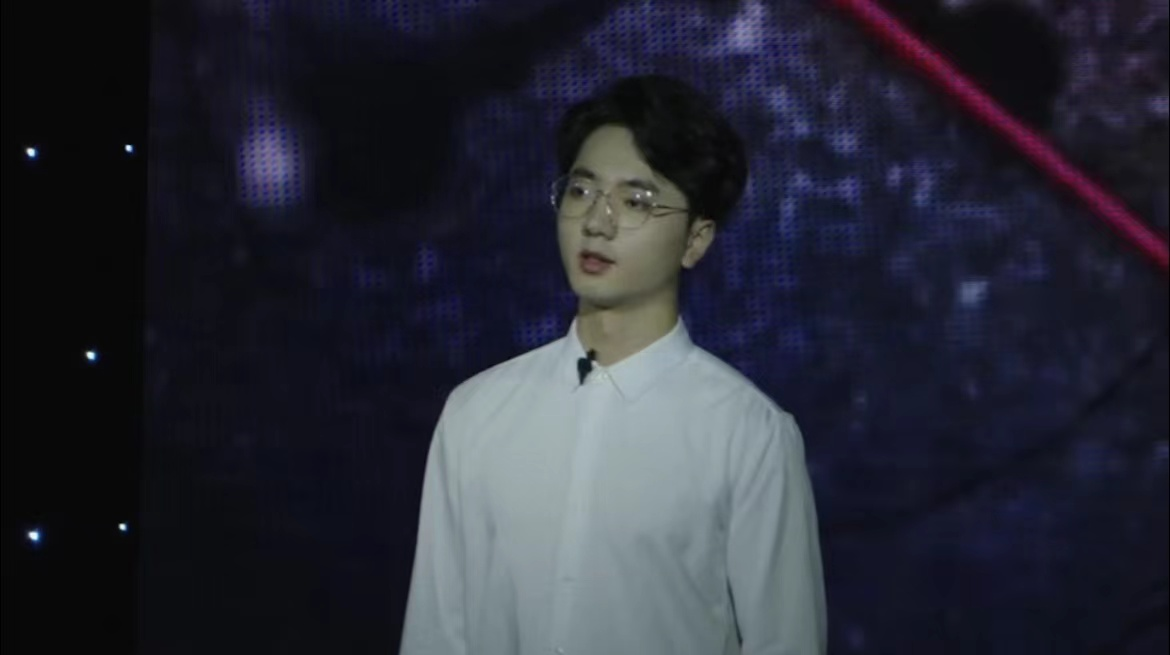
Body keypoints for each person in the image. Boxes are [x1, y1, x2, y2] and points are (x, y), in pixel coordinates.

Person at [399, 74, 826, 655]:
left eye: (636, 201)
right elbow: (436, 634)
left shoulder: (748, 435)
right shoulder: (476, 414)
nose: (597, 222)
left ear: (696, 240)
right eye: (581, 191)